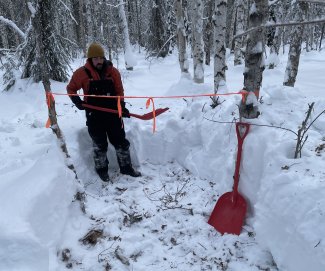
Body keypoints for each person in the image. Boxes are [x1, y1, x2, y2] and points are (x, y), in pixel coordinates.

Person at [67, 42, 141, 182]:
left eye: (101, 58)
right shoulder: (81, 73)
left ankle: (126, 168)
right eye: (95, 58)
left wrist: (122, 106)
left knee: (121, 142)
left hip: (113, 113)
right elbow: (70, 89)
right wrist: (78, 101)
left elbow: (119, 91)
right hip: (94, 115)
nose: (99, 61)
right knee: (100, 145)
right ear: (90, 59)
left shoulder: (113, 72)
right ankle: (102, 170)